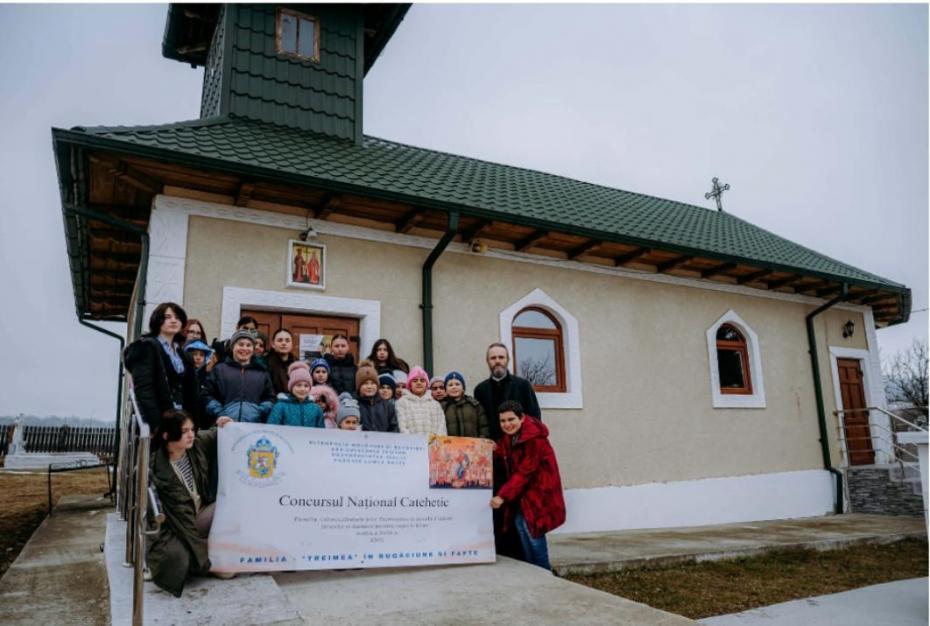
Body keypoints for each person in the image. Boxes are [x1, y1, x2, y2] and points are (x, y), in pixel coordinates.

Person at [147, 410, 232, 597]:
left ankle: (208, 557)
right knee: (175, 558)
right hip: (175, 525)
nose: (191, 434)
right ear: (167, 435)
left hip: (200, 513)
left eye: (192, 429)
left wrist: (224, 423)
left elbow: (217, 434)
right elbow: (151, 517)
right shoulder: (154, 467)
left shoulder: (196, 445)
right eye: (185, 431)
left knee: (230, 506)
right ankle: (204, 560)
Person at [490, 401, 565, 571]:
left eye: (511, 419)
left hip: (539, 493)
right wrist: (494, 448)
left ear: (522, 418)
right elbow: (505, 452)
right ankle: (534, 571)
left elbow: (524, 472)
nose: (507, 424)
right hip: (524, 494)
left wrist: (502, 496)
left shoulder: (534, 440)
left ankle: (544, 572)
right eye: (503, 421)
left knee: (533, 532)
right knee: (522, 527)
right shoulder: (511, 437)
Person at [123, 302, 201, 431]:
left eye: (177, 317)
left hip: (182, 420)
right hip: (159, 419)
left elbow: (191, 392)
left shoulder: (184, 355)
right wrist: (155, 424)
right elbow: (144, 389)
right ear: (157, 320)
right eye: (167, 317)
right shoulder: (146, 347)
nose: (173, 321)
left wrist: (193, 424)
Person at [202, 330, 274, 424]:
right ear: (232, 347)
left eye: (248, 345)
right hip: (224, 425)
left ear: (253, 349)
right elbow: (207, 394)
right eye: (241, 344)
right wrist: (220, 413)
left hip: (254, 426)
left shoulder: (261, 372)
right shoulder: (219, 370)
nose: (244, 348)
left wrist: (258, 412)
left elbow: (270, 397)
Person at [474, 343, 542, 441]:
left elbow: (534, 418)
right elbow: (479, 422)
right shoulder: (480, 390)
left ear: (508, 360)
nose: (497, 361)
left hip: (519, 445)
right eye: (493, 358)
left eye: (501, 357)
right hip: (492, 446)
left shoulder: (523, 386)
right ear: (487, 361)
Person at [267, 363, 324, 428]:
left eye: (306, 386)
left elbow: (321, 431)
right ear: (291, 387)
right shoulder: (280, 406)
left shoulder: (316, 409)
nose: (302, 389)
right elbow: (271, 429)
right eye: (298, 385)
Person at [395, 366, 447, 436]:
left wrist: (434, 442)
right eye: (415, 381)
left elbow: (441, 428)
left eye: (422, 380)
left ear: (426, 385)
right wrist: (412, 441)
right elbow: (401, 427)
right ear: (410, 384)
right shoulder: (401, 403)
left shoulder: (435, 404)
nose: (419, 383)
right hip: (410, 442)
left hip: (433, 442)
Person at [442, 371, 490, 439]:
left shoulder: (474, 405)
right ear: (445, 390)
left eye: (457, 384)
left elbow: (483, 426)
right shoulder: (442, 407)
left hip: (472, 444)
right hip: (449, 444)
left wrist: (482, 439)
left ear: (463, 388)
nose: (454, 387)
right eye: (450, 385)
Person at [355, 361, 398, 432]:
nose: (369, 387)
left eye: (372, 383)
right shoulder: (355, 405)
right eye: (365, 383)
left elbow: (394, 427)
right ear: (359, 386)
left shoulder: (388, 406)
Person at [266, 328, 296, 396]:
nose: (284, 343)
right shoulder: (265, 362)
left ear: (292, 344)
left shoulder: (297, 364)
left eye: (287, 341)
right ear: (273, 344)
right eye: (280, 340)